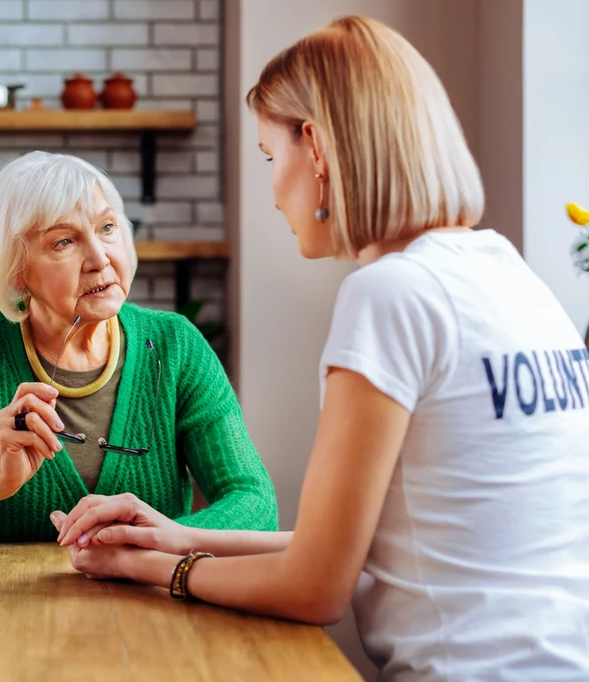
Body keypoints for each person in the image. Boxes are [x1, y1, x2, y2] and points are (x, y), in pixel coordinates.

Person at [52, 16, 589, 681]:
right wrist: (180, 533)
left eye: (270, 158)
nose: (275, 192)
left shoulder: (392, 294)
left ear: (316, 148)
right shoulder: (510, 276)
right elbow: (363, 543)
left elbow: (317, 587)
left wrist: (157, 569)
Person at [0, 151, 278, 559]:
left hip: (149, 613)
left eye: (107, 228)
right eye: (64, 241)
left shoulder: (175, 345)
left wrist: (171, 536)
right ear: (17, 272)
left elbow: (255, 503)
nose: (99, 258)